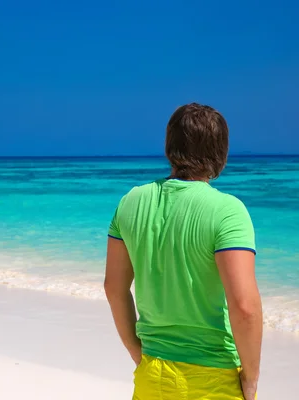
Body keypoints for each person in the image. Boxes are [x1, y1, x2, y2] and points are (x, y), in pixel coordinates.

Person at [104, 103, 262, 400]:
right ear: (221, 152)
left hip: (153, 374)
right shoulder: (228, 211)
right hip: (213, 379)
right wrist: (251, 379)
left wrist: (137, 353)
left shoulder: (131, 202)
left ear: (170, 146)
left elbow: (114, 287)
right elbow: (244, 306)